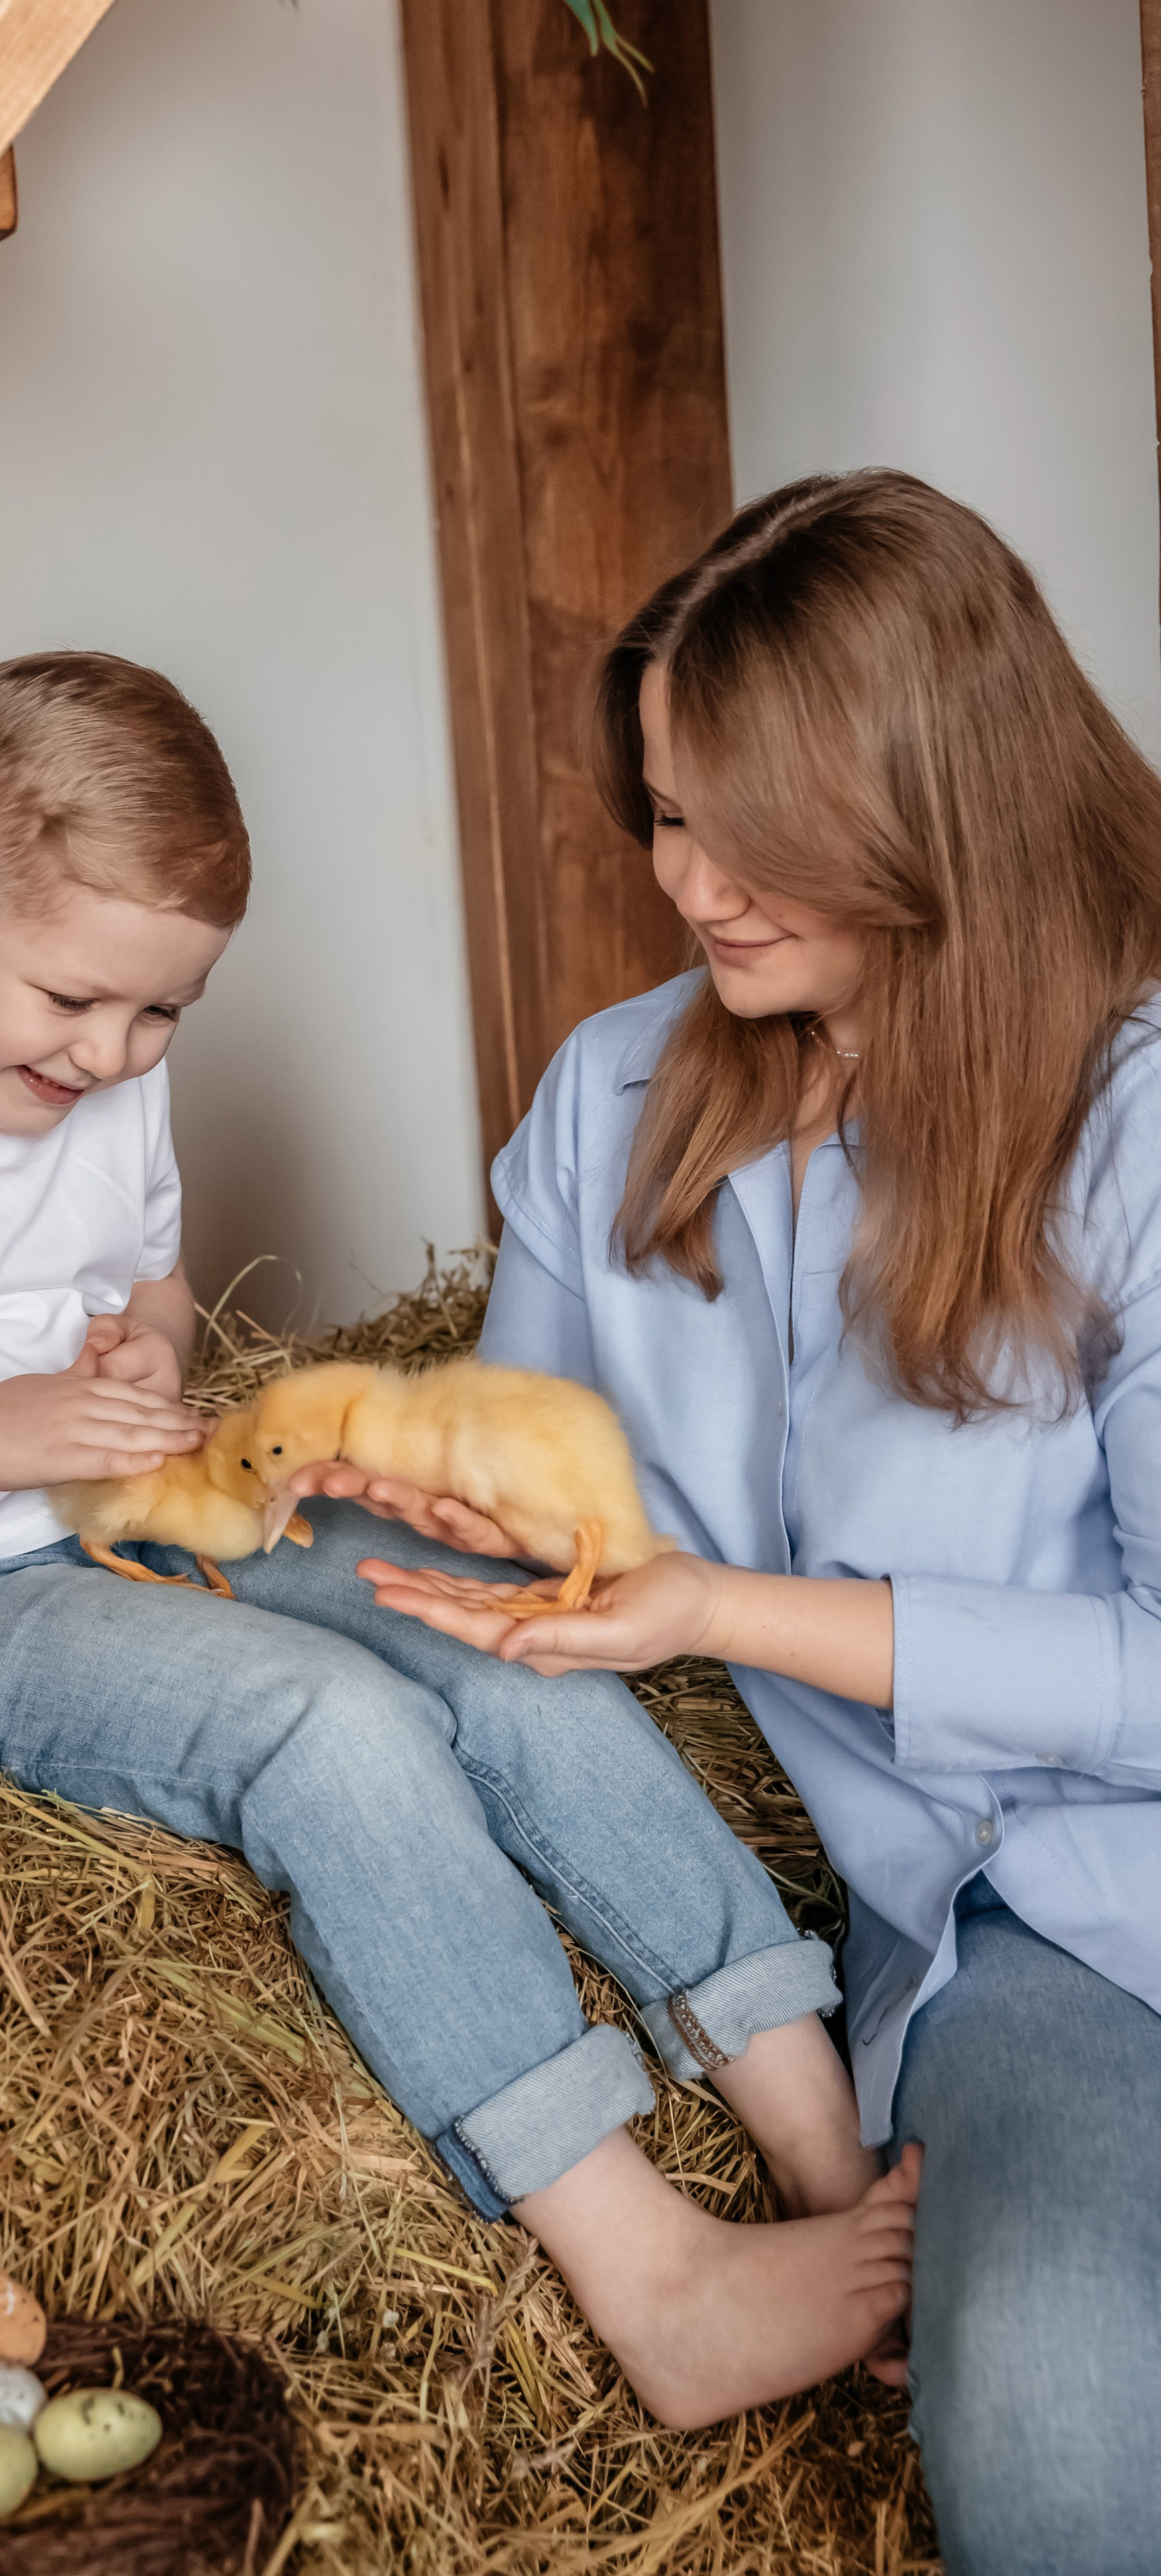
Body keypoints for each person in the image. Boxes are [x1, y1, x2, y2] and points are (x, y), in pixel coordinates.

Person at [0, 648, 916, 2434]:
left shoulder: (101, 1077)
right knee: (324, 1730)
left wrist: (149, 1360)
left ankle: (826, 2141)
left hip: (136, 1511)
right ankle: (651, 2273)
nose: (111, 1057)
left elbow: (157, 1296)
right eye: (72, 1002)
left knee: (485, 1623)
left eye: (160, 1020)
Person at [341, 471, 1161, 2576]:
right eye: (665, 813)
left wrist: (737, 1608)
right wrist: (420, 1481)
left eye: (744, 826)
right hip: (1021, 1942)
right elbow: (529, 1492)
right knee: (1061, 2455)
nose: (690, 883)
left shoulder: (1137, 1120)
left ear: (932, 803)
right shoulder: (618, 1096)